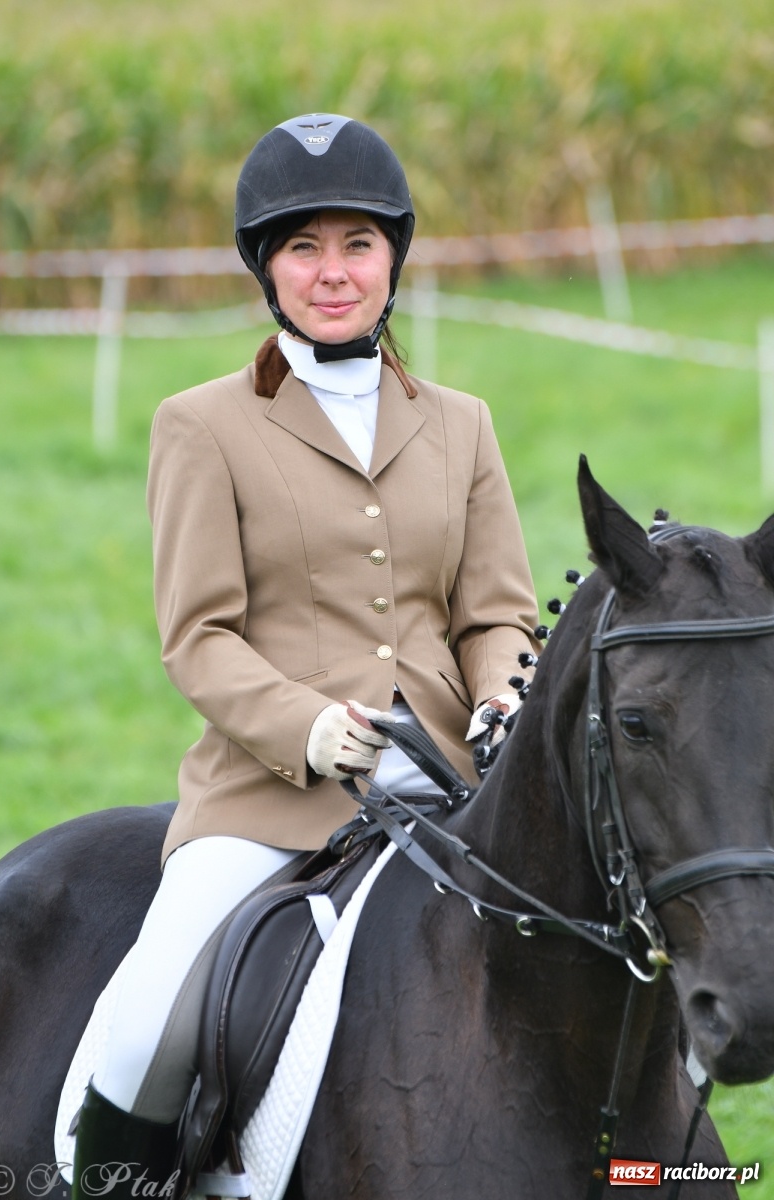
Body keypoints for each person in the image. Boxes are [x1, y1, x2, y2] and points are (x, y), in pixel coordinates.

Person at [70, 112, 541, 1193]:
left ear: (392, 261)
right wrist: (308, 727)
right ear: (266, 269)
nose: (333, 272)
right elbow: (198, 636)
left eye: (357, 245)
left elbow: (495, 616)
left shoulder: (461, 424)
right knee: (144, 1035)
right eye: (302, 247)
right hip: (267, 800)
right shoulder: (202, 426)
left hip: (448, 788)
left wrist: (501, 698)